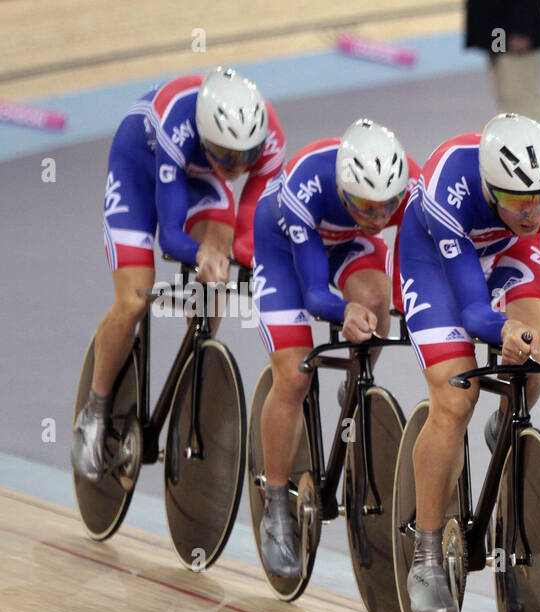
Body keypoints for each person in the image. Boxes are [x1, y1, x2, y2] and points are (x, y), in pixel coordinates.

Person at [396, 111, 540, 612]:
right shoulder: (448, 182)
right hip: (435, 260)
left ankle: (503, 426)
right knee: (454, 398)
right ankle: (425, 555)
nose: (535, 213)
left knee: (535, 356)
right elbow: (472, 312)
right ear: (491, 192)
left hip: (506, 250)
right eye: (519, 201)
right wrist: (500, 331)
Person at [72, 67, 283, 481]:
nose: (238, 168)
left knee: (217, 269)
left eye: (247, 157)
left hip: (198, 179)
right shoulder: (177, 121)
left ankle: (197, 359)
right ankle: (94, 410)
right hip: (140, 167)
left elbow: (247, 238)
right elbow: (169, 236)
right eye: (227, 155)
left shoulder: (268, 141)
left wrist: (246, 264)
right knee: (134, 299)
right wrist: (199, 253)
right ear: (205, 135)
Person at [250, 119, 420, 578]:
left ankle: (355, 387)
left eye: (388, 206)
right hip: (285, 250)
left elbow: (418, 254)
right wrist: (343, 311)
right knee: (294, 376)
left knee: (377, 297)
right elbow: (313, 295)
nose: (379, 218)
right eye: (366, 206)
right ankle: (276, 507)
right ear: (344, 192)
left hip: (347, 244)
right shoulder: (306, 186)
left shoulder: (405, 189)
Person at [464, 0, 540, 123]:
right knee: (508, 100)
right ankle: (517, 140)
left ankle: (535, 141)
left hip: (514, 34)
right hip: (498, 34)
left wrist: (521, 29)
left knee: (523, 101)